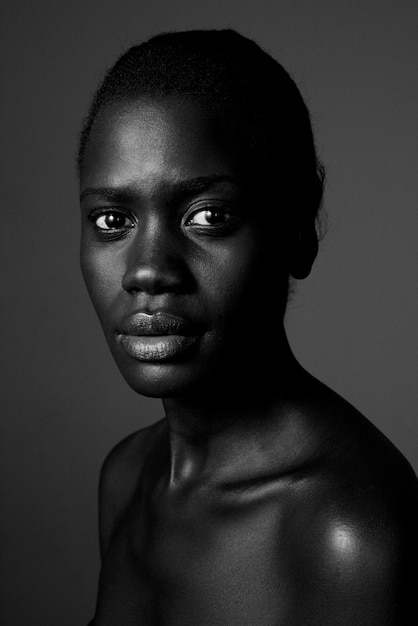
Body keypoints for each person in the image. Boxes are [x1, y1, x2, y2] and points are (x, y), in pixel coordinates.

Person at [78, 29, 418, 625]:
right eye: (112, 219)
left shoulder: (353, 534)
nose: (149, 271)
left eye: (207, 216)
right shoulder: (125, 479)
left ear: (298, 228)